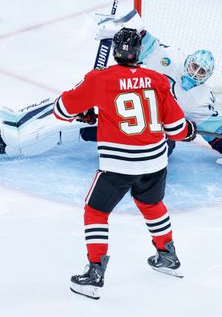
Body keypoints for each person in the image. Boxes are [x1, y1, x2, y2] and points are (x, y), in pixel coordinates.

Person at [0, 11, 222, 169]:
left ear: (208, 77)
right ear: (187, 61)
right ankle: (19, 121)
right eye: (193, 67)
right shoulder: (169, 59)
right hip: (133, 118)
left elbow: (217, 130)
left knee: (74, 118)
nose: (194, 74)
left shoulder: (198, 96)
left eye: (201, 73)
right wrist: (119, 24)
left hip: (130, 119)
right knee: (75, 108)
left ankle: (16, 139)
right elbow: (139, 36)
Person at [58, 28, 197, 299]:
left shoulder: (100, 79)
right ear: (139, 53)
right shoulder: (157, 79)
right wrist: (189, 130)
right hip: (155, 161)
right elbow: (177, 128)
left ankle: (95, 273)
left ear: (115, 51)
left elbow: (62, 109)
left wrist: (86, 110)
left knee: (96, 212)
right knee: (152, 204)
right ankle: (167, 256)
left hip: (119, 164)